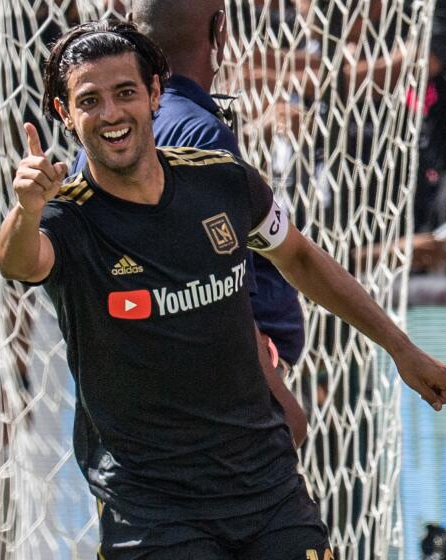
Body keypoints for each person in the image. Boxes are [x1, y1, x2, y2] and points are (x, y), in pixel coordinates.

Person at [0, 20, 446, 559]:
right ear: (65, 114)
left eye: (125, 92)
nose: (110, 114)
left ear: (155, 93)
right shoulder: (66, 218)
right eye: (90, 100)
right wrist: (27, 208)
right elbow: (20, 261)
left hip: (266, 489)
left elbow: (298, 256)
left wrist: (400, 348)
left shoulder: (221, 180)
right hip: (153, 507)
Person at [72, 0, 308, 445]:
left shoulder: (99, 142)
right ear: (220, 30)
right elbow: (220, 290)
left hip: (143, 398)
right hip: (224, 403)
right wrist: (280, 404)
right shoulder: (201, 135)